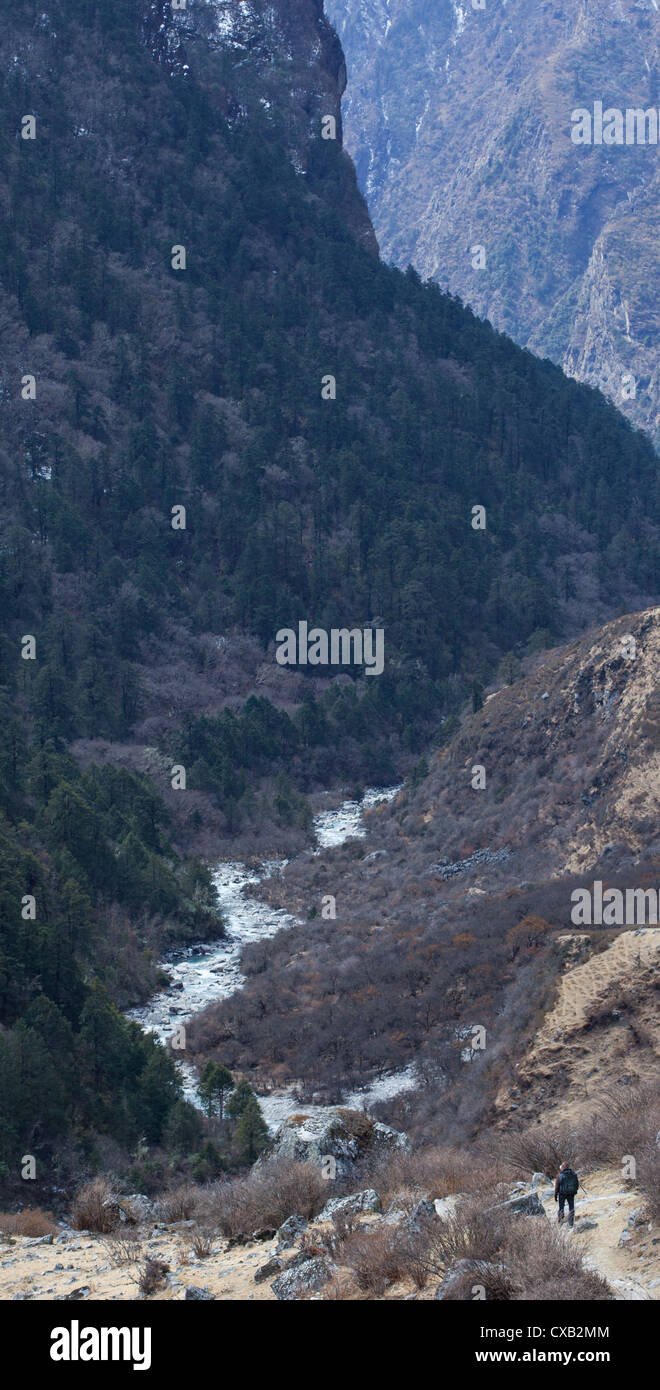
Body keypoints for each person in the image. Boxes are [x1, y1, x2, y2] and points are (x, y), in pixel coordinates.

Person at [554, 1161, 579, 1228]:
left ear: (562, 1167)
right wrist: (574, 1191)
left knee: (561, 1208)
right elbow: (577, 1184)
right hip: (571, 1193)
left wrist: (555, 1195)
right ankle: (571, 1224)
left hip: (562, 1194)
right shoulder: (573, 1174)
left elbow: (557, 1187)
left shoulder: (559, 1175)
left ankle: (560, 1223)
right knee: (571, 1208)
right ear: (568, 1167)